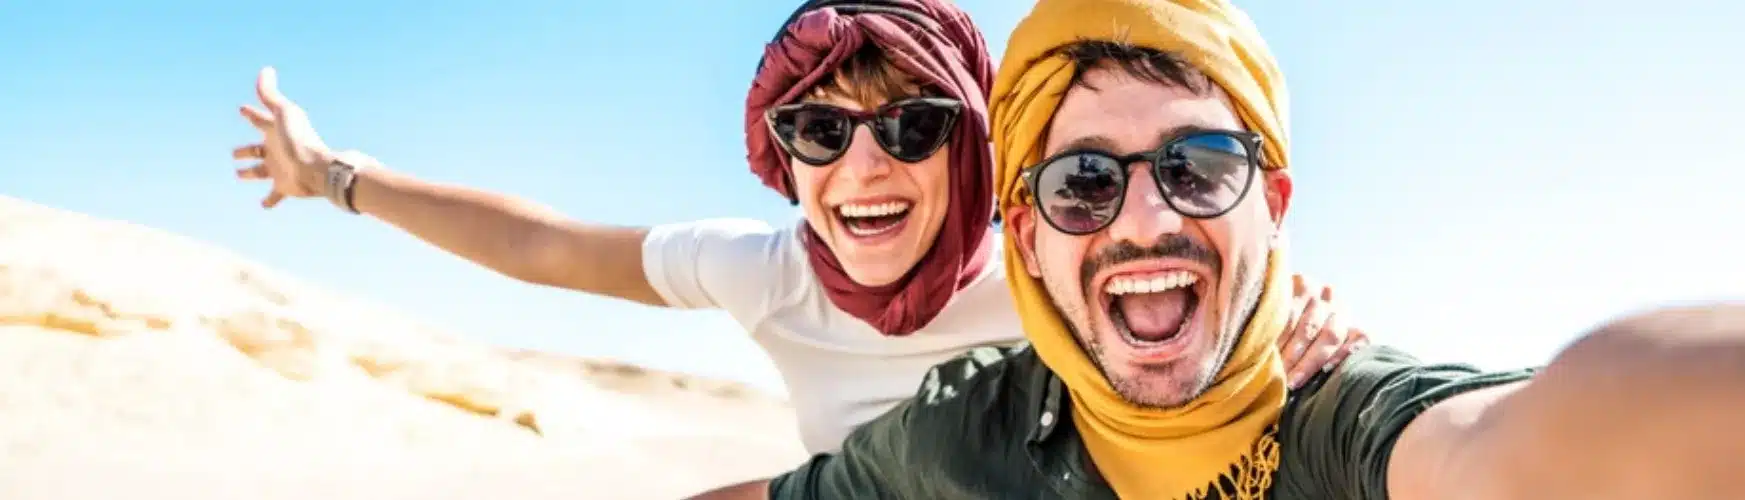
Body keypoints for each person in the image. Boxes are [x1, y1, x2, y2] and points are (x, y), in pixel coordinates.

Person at [704, 0, 1745, 499]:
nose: (1141, 220)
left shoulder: (1332, 412)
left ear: (1270, 200)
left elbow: (1520, 445)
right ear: (1023, 229)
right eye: (1081, 181)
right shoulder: (972, 425)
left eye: (1196, 166)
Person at [224, 0, 1361, 455]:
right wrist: (332, 175)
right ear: (782, 155)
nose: (862, 167)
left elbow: (1191, 255)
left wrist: (1293, 306)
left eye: (912, 126)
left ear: (974, 147)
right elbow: (544, 246)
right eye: (818, 130)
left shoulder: (1053, 257)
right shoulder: (765, 272)